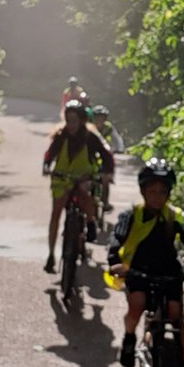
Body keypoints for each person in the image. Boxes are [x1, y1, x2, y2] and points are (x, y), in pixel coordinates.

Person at [107, 157, 184, 367]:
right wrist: (114, 262)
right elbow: (117, 237)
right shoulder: (132, 214)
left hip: (169, 272)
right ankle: (129, 338)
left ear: (169, 193)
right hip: (138, 270)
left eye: (162, 191)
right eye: (152, 191)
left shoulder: (174, 215)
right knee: (137, 304)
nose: (157, 196)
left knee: (176, 316)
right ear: (143, 191)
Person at [42, 100, 114, 273]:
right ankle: (51, 255)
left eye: (74, 121)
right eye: (68, 120)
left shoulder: (91, 137)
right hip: (62, 178)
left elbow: (106, 155)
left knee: (85, 192)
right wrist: (46, 166)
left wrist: (106, 172)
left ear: (82, 121)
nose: (70, 125)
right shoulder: (61, 136)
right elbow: (50, 154)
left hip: (84, 177)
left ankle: (90, 222)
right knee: (56, 213)